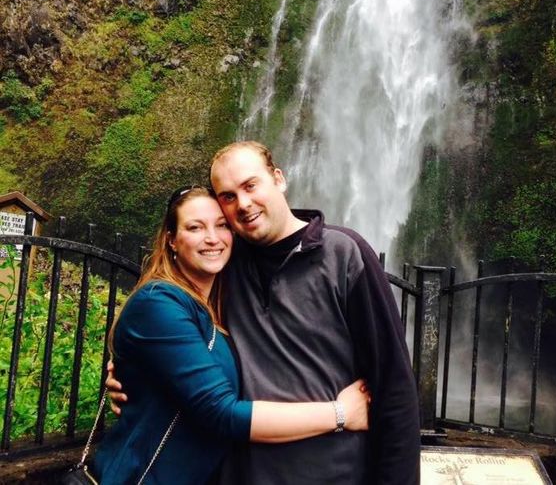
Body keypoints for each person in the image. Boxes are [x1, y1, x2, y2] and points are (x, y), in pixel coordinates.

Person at [109, 142, 421, 484]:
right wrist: (133, 375)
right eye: (228, 196)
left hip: (334, 474)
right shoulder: (224, 263)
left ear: (279, 179)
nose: (243, 204)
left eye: (250, 185)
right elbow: (167, 337)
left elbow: (393, 385)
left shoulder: (343, 254)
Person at [93, 185, 370, 485]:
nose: (212, 238)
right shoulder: (159, 303)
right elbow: (221, 413)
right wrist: (341, 414)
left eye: (222, 225)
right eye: (195, 227)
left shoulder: (221, 304)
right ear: (171, 239)